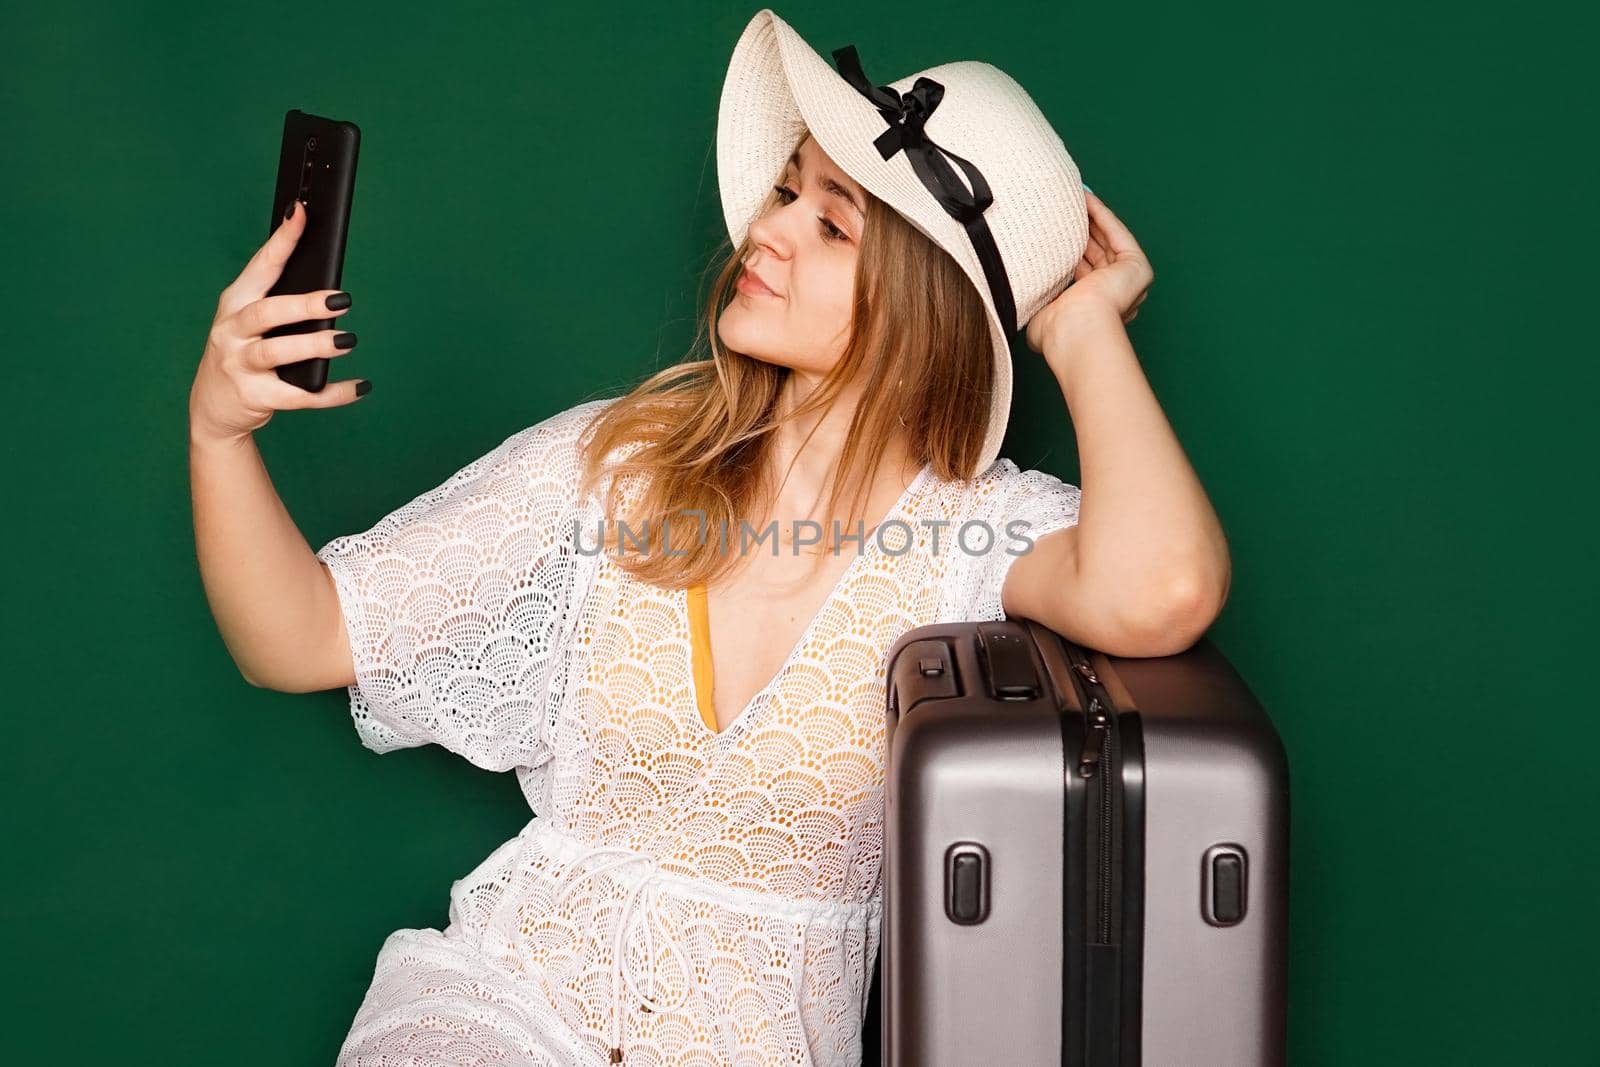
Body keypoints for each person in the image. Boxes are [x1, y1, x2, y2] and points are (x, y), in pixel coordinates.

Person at [189, 9, 1228, 1065]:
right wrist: (218, 433)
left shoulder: (977, 532)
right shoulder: (619, 459)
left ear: (932, 307)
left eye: (831, 224)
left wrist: (1077, 327)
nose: (766, 232)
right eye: (784, 193)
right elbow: (301, 637)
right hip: (501, 1011)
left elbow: (1163, 588)